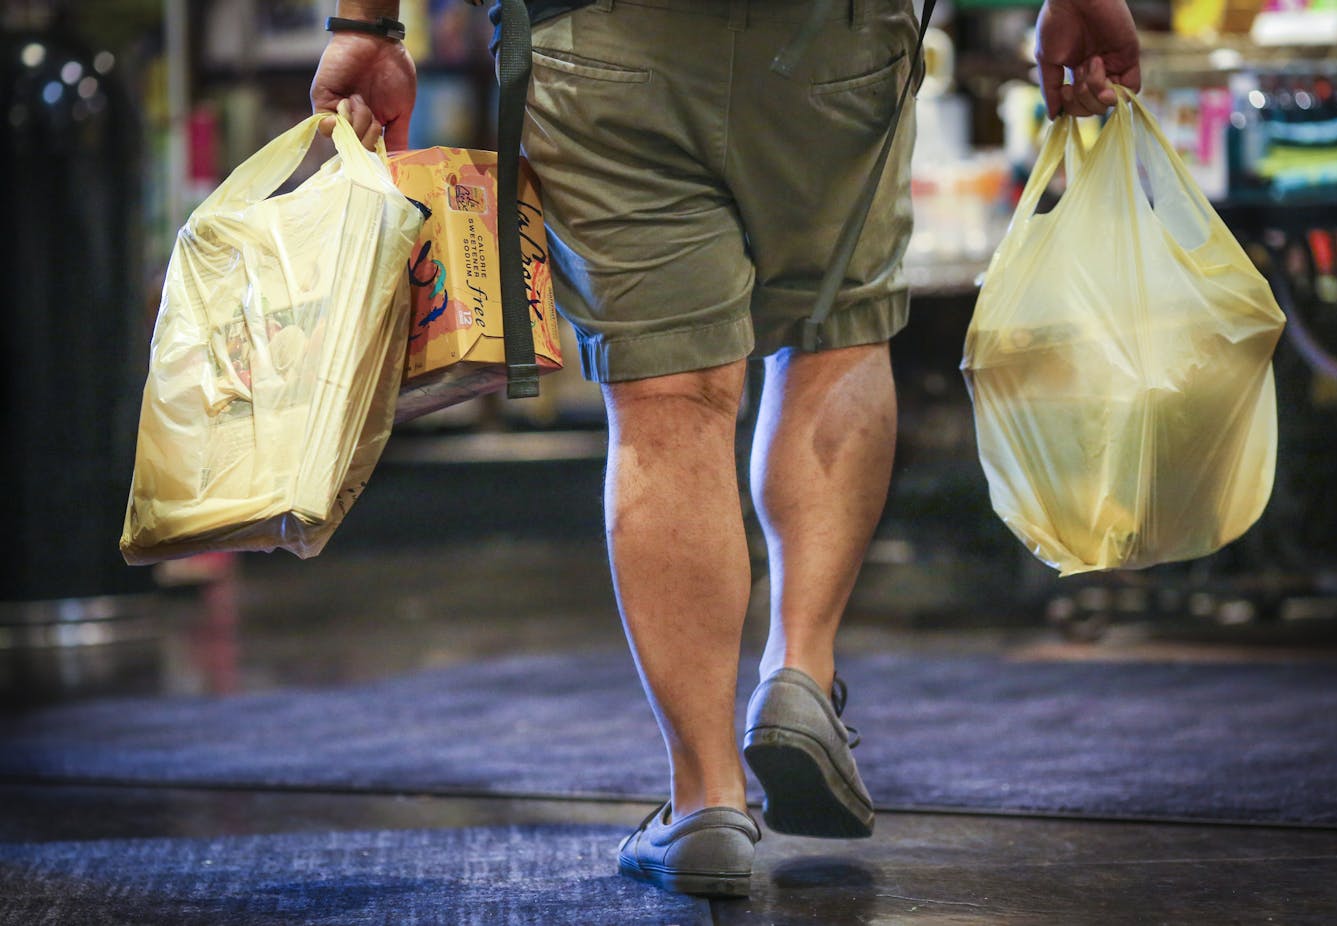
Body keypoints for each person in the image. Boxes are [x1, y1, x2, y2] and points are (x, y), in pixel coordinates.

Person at [311, 0, 1140, 899]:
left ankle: (706, 800)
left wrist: (369, 26)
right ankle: (801, 671)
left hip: (596, 39)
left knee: (668, 398)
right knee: (836, 333)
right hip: (833, 40)